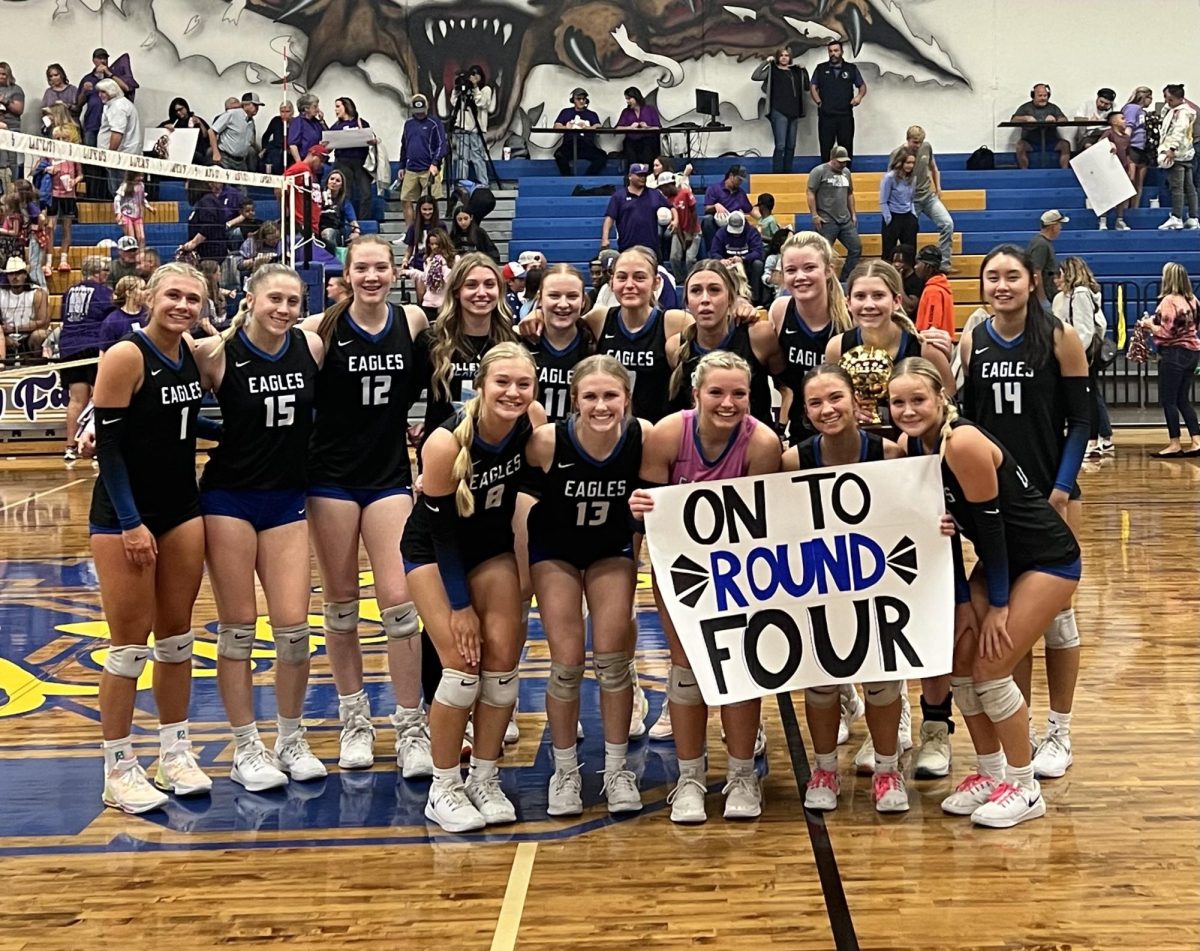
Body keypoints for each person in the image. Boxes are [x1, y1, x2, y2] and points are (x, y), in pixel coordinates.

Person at [890, 357, 1081, 827]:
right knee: (960, 658)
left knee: (993, 668)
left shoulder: (962, 443)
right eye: (898, 402)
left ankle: (1024, 785)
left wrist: (997, 604)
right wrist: (961, 602)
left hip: (1045, 559)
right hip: (1003, 561)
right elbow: (948, 537)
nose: (909, 410)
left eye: (919, 400)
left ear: (941, 398)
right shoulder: (917, 446)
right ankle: (991, 772)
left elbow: (993, 534)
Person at [630, 351, 782, 823]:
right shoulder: (669, 434)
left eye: (739, 393)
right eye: (717, 392)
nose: (728, 401)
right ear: (696, 394)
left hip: (741, 572)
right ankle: (690, 777)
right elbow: (647, 518)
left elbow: (766, 523)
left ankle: (741, 774)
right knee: (686, 669)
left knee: (740, 668)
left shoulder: (762, 443)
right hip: (681, 572)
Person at [299, 235, 432, 775]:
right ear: (346, 275)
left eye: (381, 267)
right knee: (341, 603)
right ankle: (354, 720)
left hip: (387, 476)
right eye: (362, 268)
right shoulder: (320, 331)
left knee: (401, 604)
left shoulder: (414, 320)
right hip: (330, 478)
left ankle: (411, 726)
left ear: (396, 270)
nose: (372, 276)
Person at [958, 245, 1090, 781]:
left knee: (1056, 617)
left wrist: (1060, 488)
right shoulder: (974, 340)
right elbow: (967, 423)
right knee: (1013, 622)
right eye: (992, 277)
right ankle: (1027, 726)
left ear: (1033, 280)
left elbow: (1082, 422)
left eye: (1012, 276)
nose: (1002, 285)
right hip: (999, 499)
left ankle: (1061, 728)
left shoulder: (1060, 336)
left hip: (1051, 493)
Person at [194, 264, 326, 791]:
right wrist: (221, 433)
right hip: (229, 497)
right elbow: (173, 413)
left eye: (293, 301)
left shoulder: (311, 347)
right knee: (239, 628)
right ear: (250, 299)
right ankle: (245, 746)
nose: (284, 309)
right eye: (275, 299)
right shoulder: (215, 354)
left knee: (295, 631)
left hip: (287, 499)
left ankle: (289, 739)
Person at [402, 343, 545, 831]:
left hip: (492, 548)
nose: (513, 392)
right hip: (434, 555)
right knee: (462, 667)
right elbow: (441, 535)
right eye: (502, 382)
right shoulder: (445, 444)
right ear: (480, 386)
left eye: (523, 384)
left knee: (503, 664)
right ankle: (444, 786)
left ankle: (485, 776)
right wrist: (460, 607)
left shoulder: (533, 420)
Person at [89, 262, 213, 813]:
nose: (182, 306)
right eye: (174, 296)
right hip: (126, 516)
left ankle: (175, 752)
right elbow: (111, 451)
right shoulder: (126, 355)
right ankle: (117, 769)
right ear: (150, 298)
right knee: (128, 646)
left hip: (182, 508)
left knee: (178, 637)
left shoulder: (189, 353)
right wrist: (130, 522)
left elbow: (183, 424)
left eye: (193, 299)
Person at [782, 364, 910, 812]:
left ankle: (888, 769)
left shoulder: (890, 453)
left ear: (858, 402)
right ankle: (824, 768)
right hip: (820, 583)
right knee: (820, 682)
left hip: (878, 583)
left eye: (835, 398)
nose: (826, 409)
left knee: (880, 678)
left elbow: (912, 517)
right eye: (815, 402)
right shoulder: (794, 460)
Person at [527, 354, 646, 815]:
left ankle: (616, 768)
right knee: (567, 662)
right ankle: (566, 770)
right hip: (554, 551)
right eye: (590, 396)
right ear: (574, 400)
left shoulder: (643, 435)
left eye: (610, 395)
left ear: (627, 399)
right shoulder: (546, 441)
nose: (601, 405)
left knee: (615, 661)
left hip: (610, 548)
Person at [826, 259, 956, 438]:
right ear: (848, 302)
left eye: (878, 295)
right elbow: (831, 400)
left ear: (896, 301)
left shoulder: (925, 348)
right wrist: (849, 413)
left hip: (915, 449)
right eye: (860, 296)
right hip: (860, 449)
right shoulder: (837, 347)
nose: (869, 305)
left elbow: (951, 405)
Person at [667, 260, 782, 424]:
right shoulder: (675, 347)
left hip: (753, 444)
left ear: (730, 298)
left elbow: (787, 386)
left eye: (714, 290)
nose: (705, 299)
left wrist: (782, 429)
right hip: (698, 445)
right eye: (696, 291)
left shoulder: (758, 336)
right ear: (686, 301)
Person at [769, 231, 852, 444]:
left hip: (846, 430)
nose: (800, 276)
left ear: (828, 270)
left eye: (809, 267)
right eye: (791, 270)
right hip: (799, 430)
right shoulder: (779, 311)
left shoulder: (851, 318)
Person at [1053, 257, 1113, 458]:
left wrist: (1075, 355)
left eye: (1059, 274)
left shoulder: (1079, 294)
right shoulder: (1072, 295)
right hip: (1080, 353)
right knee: (1090, 395)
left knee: (1087, 397)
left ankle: (1093, 440)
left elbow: (1085, 329)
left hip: (1083, 355)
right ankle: (1097, 438)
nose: (1055, 279)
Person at [1140, 263, 1200, 457]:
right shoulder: (1193, 301)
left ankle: (1174, 443)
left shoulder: (1168, 301)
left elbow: (1167, 332)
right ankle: (1196, 440)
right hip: (1192, 352)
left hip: (1173, 353)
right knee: (1183, 399)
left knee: (1169, 400)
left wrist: (1149, 325)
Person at [58, 255, 113, 463]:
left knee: (76, 399)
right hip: (92, 346)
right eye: (105, 272)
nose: (107, 276)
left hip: (69, 347)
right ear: (99, 273)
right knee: (100, 396)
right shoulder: (103, 292)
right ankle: (97, 444)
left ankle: (70, 447)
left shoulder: (69, 291)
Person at [752, 47, 809, 173]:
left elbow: (806, 86)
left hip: (794, 111)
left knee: (791, 145)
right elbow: (756, 76)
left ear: (790, 58)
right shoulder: (773, 69)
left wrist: (804, 71)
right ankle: (777, 173)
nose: (784, 57)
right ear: (777, 57)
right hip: (779, 111)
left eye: (786, 55)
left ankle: (788, 173)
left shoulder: (795, 71)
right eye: (781, 55)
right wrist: (766, 62)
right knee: (781, 145)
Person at [807, 145, 860, 279]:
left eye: (845, 162)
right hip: (827, 219)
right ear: (832, 159)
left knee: (856, 248)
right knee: (823, 253)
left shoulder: (846, 172)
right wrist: (814, 215)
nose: (842, 164)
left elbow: (850, 193)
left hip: (845, 219)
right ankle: (823, 279)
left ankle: (845, 278)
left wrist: (853, 213)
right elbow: (810, 192)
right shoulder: (819, 171)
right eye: (840, 162)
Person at [809, 39, 865, 160]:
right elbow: (813, 87)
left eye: (836, 50)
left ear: (842, 52)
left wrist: (859, 97)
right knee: (825, 148)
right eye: (830, 51)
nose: (833, 53)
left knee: (846, 148)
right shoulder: (821, 68)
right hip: (826, 115)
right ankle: (825, 175)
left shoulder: (851, 68)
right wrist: (819, 102)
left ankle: (846, 174)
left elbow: (862, 86)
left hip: (845, 115)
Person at [397, 94, 447, 225]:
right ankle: (410, 232)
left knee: (433, 200)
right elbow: (404, 145)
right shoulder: (408, 124)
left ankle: (434, 228)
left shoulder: (434, 123)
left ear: (427, 108)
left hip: (429, 168)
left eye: (422, 111)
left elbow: (442, 145)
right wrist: (401, 165)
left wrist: (435, 163)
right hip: (411, 168)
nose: (420, 114)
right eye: (417, 112)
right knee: (405, 199)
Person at [601, 163, 671, 253]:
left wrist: (675, 220)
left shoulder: (655, 194)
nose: (643, 178)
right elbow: (610, 218)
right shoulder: (619, 196)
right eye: (639, 175)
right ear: (630, 176)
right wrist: (605, 238)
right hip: (627, 246)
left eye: (644, 175)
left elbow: (671, 207)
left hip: (651, 246)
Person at [1157, 85, 1199, 231]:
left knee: (1177, 187)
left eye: (1170, 99)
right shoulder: (1176, 110)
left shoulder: (1182, 113)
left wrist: (1171, 148)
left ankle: (1176, 217)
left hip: (1177, 154)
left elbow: (1179, 131)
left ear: (1179, 98)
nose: (1167, 101)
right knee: (1189, 186)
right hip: (1185, 153)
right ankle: (1193, 217)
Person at [329, 96, 376, 219]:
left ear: (347, 107)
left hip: (360, 161)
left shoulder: (362, 123)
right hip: (342, 161)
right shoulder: (336, 126)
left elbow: (372, 139)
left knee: (366, 193)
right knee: (345, 193)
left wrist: (371, 140)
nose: (336, 110)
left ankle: (364, 221)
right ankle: (346, 221)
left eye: (338, 106)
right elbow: (328, 146)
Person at [96, 79, 143, 198]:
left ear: (112, 91)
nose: (100, 95)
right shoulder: (116, 104)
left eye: (103, 92)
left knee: (120, 193)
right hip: (123, 157)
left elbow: (117, 133)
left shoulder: (118, 107)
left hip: (121, 158)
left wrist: (110, 154)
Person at [449, 66, 492, 187]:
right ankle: (462, 183)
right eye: (472, 74)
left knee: (477, 157)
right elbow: (454, 102)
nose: (474, 76)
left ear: (481, 76)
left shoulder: (486, 89)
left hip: (477, 130)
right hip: (462, 127)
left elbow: (482, 103)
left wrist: (475, 88)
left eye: (477, 74)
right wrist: (456, 89)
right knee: (462, 157)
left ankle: (483, 183)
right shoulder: (465, 89)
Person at [709, 212, 765, 305]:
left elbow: (758, 252)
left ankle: (755, 299)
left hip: (747, 264)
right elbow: (714, 252)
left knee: (758, 264)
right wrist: (721, 260)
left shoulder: (752, 232)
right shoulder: (721, 233)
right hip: (727, 265)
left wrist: (743, 258)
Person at [1011, 84, 1070, 170]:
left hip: (1051, 142)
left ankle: (1064, 171)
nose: (1043, 98)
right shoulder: (1025, 107)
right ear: (1033, 96)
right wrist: (1026, 118)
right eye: (1040, 95)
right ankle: (1024, 172)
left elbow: (1064, 119)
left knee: (1065, 145)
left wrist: (1056, 119)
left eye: (1045, 95)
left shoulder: (1053, 108)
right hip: (1030, 142)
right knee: (1020, 146)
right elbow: (1013, 120)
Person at [0, 256, 49, 356]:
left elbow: (43, 322)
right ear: (7, 276)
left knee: (40, 335)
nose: (15, 277)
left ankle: (37, 366)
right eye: (11, 273)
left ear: (25, 275)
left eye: (18, 273)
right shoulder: (1, 293)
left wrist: (15, 329)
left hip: (29, 336)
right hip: (4, 336)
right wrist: (4, 337)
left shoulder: (38, 293)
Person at [403, 227, 455, 321]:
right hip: (429, 303)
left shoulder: (454, 259)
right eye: (431, 244)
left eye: (437, 244)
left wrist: (442, 264)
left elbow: (450, 280)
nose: (434, 247)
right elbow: (426, 278)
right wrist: (408, 272)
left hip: (445, 304)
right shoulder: (428, 260)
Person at [46, 130, 79, 273]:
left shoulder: (74, 155)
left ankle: (63, 260)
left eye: (64, 138)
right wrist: (48, 170)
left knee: (67, 227)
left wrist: (74, 181)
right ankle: (48, 261)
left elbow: (81, 174)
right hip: (52, 194)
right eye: (57, 138)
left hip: (69, 195)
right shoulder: (49, 154)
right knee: (50, 227)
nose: (60, 140)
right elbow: (37, 170)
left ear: (69, 139)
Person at [553, 88, 606, 177]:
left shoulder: (592, 114)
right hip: (569, 145)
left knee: (602, 156)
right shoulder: (566, 112)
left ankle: (588, 178)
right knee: (559, 155)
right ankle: (568, 179)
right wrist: (566, 127)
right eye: (578, 99)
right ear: (573, 100)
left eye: (583, 99)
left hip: (587, 146)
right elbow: (556, 126)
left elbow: (598, 126)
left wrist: (588, 127)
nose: (581, 101)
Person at [281, 144, 329, 239]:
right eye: (321, 159)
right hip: (301, 224)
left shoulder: (311, 173)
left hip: (312, 226)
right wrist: (285, 210)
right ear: (313, 154)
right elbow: (280, 185)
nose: (322, 164)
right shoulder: (301, 168)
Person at [700, 164, 752, 251]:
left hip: (732, 224)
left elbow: (750, 209)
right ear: (731, 176)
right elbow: (707, 208)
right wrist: (716, 205)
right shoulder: (714, 189)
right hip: (716, 222)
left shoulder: (741, 193)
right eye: (739, 179)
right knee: (707, 220)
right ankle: (712, 251)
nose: (740, 183)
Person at [880, 150, 918, 262]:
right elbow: (883, 201)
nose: (910, 166)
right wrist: (888, 218)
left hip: (907, 216)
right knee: (888, 252)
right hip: (893, 216)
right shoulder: (889, 177)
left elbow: (911, 199)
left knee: (910, 252)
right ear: (900, 162)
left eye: (912, 163)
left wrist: (913, 215)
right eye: (907, 162)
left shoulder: (913, 178)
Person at [181, 181, 232, 263]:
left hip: (211, 254)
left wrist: (193, 243)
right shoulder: (206, 200)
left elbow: (209, 224)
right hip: (208, 252)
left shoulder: (207, 201)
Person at [209, 92, 261, 172]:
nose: (257, 108)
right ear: (245, 105)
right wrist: (215, 152)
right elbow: (211, 131)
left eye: (258, 106)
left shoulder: (251, 122)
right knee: (225, 183)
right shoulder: (232, 114)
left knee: (241, 184)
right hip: (225, 158)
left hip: (241, 161)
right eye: (255, 105)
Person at [1098, 111, 1133, 230]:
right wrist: (1109, 144)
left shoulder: (1126, 137)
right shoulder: (1109, 133)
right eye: (1122, 118)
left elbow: (1128, 154)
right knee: (1106, 194)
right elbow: (1099, 145)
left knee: (1121, 195)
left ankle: (1119, 219)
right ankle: (1103, 220)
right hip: (1108, 168)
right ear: (1114, 122)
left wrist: (1130, 169)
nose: (1125, 121)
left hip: (1122, 168)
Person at [1122, 87, 1154, 211]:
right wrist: (1124, 144)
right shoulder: (1131, 108)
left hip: (1143, 147)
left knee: (1139, 183)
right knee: (1130, 179)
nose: (1151, 101)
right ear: (1143, 97)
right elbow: (1129, 125)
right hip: (1133, 146)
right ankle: (1125, 208)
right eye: (1150, 98)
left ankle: (1135, 208)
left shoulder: (1143, 112)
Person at [1027, 210, 1067, 305]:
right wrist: (1042, 298)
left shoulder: (1043, 243)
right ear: (1053, 226)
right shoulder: (1041, 245)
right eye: (1059, 224)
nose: (1060, 228)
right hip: (1045, 297)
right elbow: (1036, 271)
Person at [157, 98, 211, 166]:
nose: (179, 113)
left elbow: (206, 136)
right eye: (176, 111)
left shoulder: (195, 119)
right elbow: (157, 133)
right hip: (176, 153)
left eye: (181, 109)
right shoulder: (172, 122)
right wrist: (165, 127)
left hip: (195, 152)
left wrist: (200, 123)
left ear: (186, 107)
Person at [617, 87, 661, 169]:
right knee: (629, 151)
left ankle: (647, 175)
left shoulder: (650, 109)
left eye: (629, 98)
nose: (627, 101)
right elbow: (618, 128)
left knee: (648, 151)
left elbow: (657, 127)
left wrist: (647, 127)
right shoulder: (626, 112)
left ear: (636, 97)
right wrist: (630, 127)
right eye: (626, 99)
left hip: (647, 141)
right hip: (632, 142)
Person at [98, 275, 147, 351]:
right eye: (142, 289)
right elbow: (104, 353)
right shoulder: (112, 321)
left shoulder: (149, 315)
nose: (146, 292)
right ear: (129, 293)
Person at [915, 245, 954, 336]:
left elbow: (932, 327)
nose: (915, 267)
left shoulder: (933, 291)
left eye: (918, 263)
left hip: (934, 344)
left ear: (928, 266)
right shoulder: (941, 285)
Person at [318, 170, 361, 249]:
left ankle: (332, 259)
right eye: (332, 179)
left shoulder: (344, 201)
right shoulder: (318, 196)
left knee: (328, 233)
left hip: (335, 231)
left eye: (337, 181)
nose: (334, 182)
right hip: (317, 230)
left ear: (341, 186)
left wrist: (356, 233)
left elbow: (353, 221)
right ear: (327, 181)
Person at [0, 62, 25, 187]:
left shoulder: (16, 89)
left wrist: (5, 101)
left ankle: (13, 187)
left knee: (11, 160)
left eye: (4, 74)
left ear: (9, 75)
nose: (1, 76)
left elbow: (19, 110)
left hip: (12, 128)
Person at [113, 171, 153, 247]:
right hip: (126, 215)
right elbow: (117, 199)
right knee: (131, 238)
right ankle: (133, 255)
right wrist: (118, 213)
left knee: (141, 237)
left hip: (138, 216)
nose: (141, 178)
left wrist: (148, 207)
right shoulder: (125, 186)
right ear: (132, 176)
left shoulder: (141, 185)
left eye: (142, 176)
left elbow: (142, 198)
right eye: (139, 176)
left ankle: (141, 254)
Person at [401, 197, 442, 271]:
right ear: (419, 210)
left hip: (437, 263)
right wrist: (405, 260)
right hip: (419, 264)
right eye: (424, 209)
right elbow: (410, 247)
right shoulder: (413, 226)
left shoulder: (441, 225)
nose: (427, 212)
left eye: (430, 209)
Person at [286, 93, 326, 165]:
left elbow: (327, 137)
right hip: (304, 160)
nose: (318, 110)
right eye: (315, 107)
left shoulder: (316, 122)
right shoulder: (297, 122)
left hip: (317, 161)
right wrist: (299, 163)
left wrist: (322, 121)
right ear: (306, 108)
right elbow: (292, 145)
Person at [260, 101, 293, 174]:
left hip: (289, 150)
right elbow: (266, 135)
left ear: (292, 112)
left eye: (287, 111)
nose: (284, 114)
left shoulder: (295, 122)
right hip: (275, 149)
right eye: (282, 111)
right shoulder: (276, 120)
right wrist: (264, 148)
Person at [891, 244, 923, 316]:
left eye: (900, 261)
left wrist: (899, 281)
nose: (896, 264)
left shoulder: (917, 280)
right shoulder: (890, 278)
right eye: (894, 261)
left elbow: (909, 308)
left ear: (909, 262)